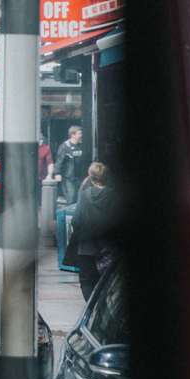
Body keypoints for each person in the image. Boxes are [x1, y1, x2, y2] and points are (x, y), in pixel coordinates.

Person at [62, 162, 117, 299]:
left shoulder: (84, 196)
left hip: (86, 249)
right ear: (107, 178)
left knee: (86, 282)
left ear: (91, 179)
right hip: (108, 250)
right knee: (108, 281)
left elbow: (75, 221)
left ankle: (91, 307)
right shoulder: (114, 196)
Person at [55, 126, 86, 206]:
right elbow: (59, 161)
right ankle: (69, 217)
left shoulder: (83, 145)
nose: (81, 135)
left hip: (81, 177)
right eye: (79, 133)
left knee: (80, 199)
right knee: (71, 198)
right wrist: (57, 173)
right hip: (69, 178)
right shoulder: (64, 147)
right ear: (73, 135)